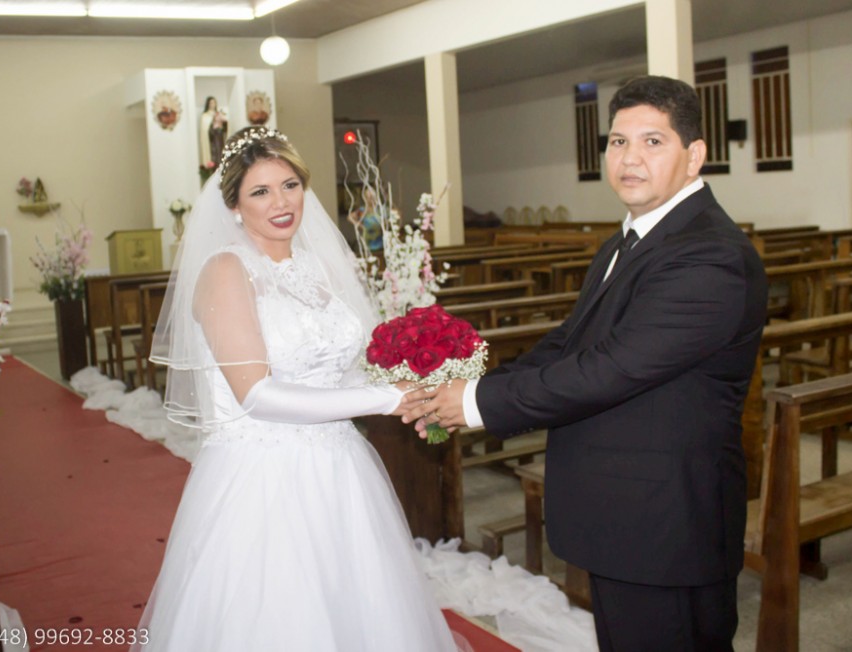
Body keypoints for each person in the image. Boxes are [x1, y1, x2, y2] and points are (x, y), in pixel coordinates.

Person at [403, 76, 768, 651]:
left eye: (652, 142)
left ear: (695, 155)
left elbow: (610, 368)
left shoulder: (709, 254)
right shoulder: (631, 239)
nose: (629, 158)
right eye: (618, 142)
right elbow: (571, 343)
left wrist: (473, 405)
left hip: (666, 523)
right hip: (629, 515)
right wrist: (474, 385)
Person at [137, 126, 461, 652]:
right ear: (234, 206)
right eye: (260, 191)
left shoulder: (319, 266)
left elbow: (342, 372)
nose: (281, 202)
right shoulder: (225, 271)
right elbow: (257, 395)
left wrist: (414, 390)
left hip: (341, 467)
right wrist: (388, 398)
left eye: (290, 185)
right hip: (265, 476)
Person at [198, 96, 228, 168]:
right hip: (211, 140)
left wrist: (223, 125)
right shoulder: (205, 116)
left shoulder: (219, 114)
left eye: (214, 102)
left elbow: (225, 127)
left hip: (219, 138)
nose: (213, 104)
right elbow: (205, 130)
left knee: (220, 153)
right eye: (211, 103)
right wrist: (213, 125)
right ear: (208, 104)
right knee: (213, 155)